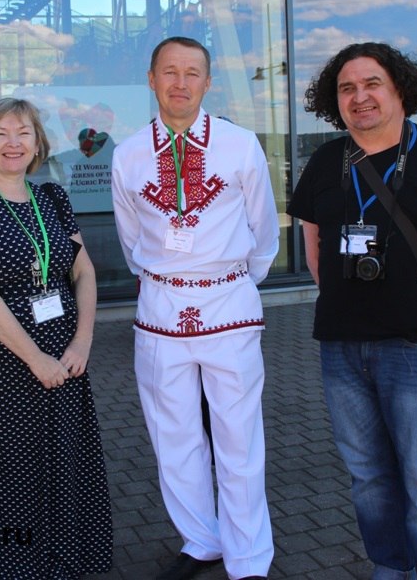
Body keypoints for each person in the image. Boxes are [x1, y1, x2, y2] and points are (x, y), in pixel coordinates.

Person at [287, 42, 417, 579]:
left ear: (400, 88)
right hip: (341, 348)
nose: (360, 97)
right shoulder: (325, 162)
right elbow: (316, 252)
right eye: (347, 88)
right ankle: (390, 569)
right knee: (368, 478)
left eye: (372, 83)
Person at [111, 36, 279, 580]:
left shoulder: (240, 144)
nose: (179, 83)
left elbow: (264, 231)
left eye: (191, 73)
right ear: (151, 79)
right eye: (169, 71)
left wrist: (230, 280)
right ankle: (202, 540)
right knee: (173, 436)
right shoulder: (128, 154)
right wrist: (166, 277)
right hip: (161, 311)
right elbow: (131, 238)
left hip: (228, 305)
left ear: (208, 82)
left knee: (238, 437)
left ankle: (249, 559)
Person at [0, 97, 112, 578]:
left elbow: (84, 272)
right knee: (6, 469)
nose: (13, 143)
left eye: (23, 133)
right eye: (1, 133)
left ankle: (59, 561)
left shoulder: (52, 198)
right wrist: (36, 358)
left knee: (60, 461)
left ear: (38, 144)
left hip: (64, 356)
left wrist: (82, 341)